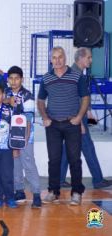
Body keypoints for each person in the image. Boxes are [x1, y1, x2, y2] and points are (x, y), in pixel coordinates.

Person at [37, 46, 90, 206]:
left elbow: (85, 98)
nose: (57, 60)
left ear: (65, 58)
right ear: (50, 60)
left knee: (74, 159)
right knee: (54, 160)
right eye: (54, 57)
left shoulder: (76, 76)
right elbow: (40, 101)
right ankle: (53, 191)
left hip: (71, 123)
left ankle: (76, 193)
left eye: (60, 57)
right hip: (52, 125)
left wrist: (79, 117)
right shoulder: (46, 78)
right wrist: (45, 117)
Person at [60, 47, 112, 189]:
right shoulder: (75, 75)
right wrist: (80, 123)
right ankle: (98, 180)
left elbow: (81, 97)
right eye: (89, 57)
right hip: (76, 118)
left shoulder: (76, 73)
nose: (91, 60)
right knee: (88, 147)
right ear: (81, 58)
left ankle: (59, 179)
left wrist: (87, 112)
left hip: (74, 117)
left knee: (67, 148)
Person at [4, 66, 41, 208]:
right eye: (11, 78)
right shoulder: (5, 93)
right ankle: (19, 191)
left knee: (28, 163)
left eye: (17, 78)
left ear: (22, 79)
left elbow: (28, 120)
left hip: (25, 136)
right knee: (14, 164)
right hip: (9, 136)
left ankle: (36, 194)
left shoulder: (27, 95)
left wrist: (23, 140)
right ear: (8, 80)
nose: (14, 81)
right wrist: (7, 100)